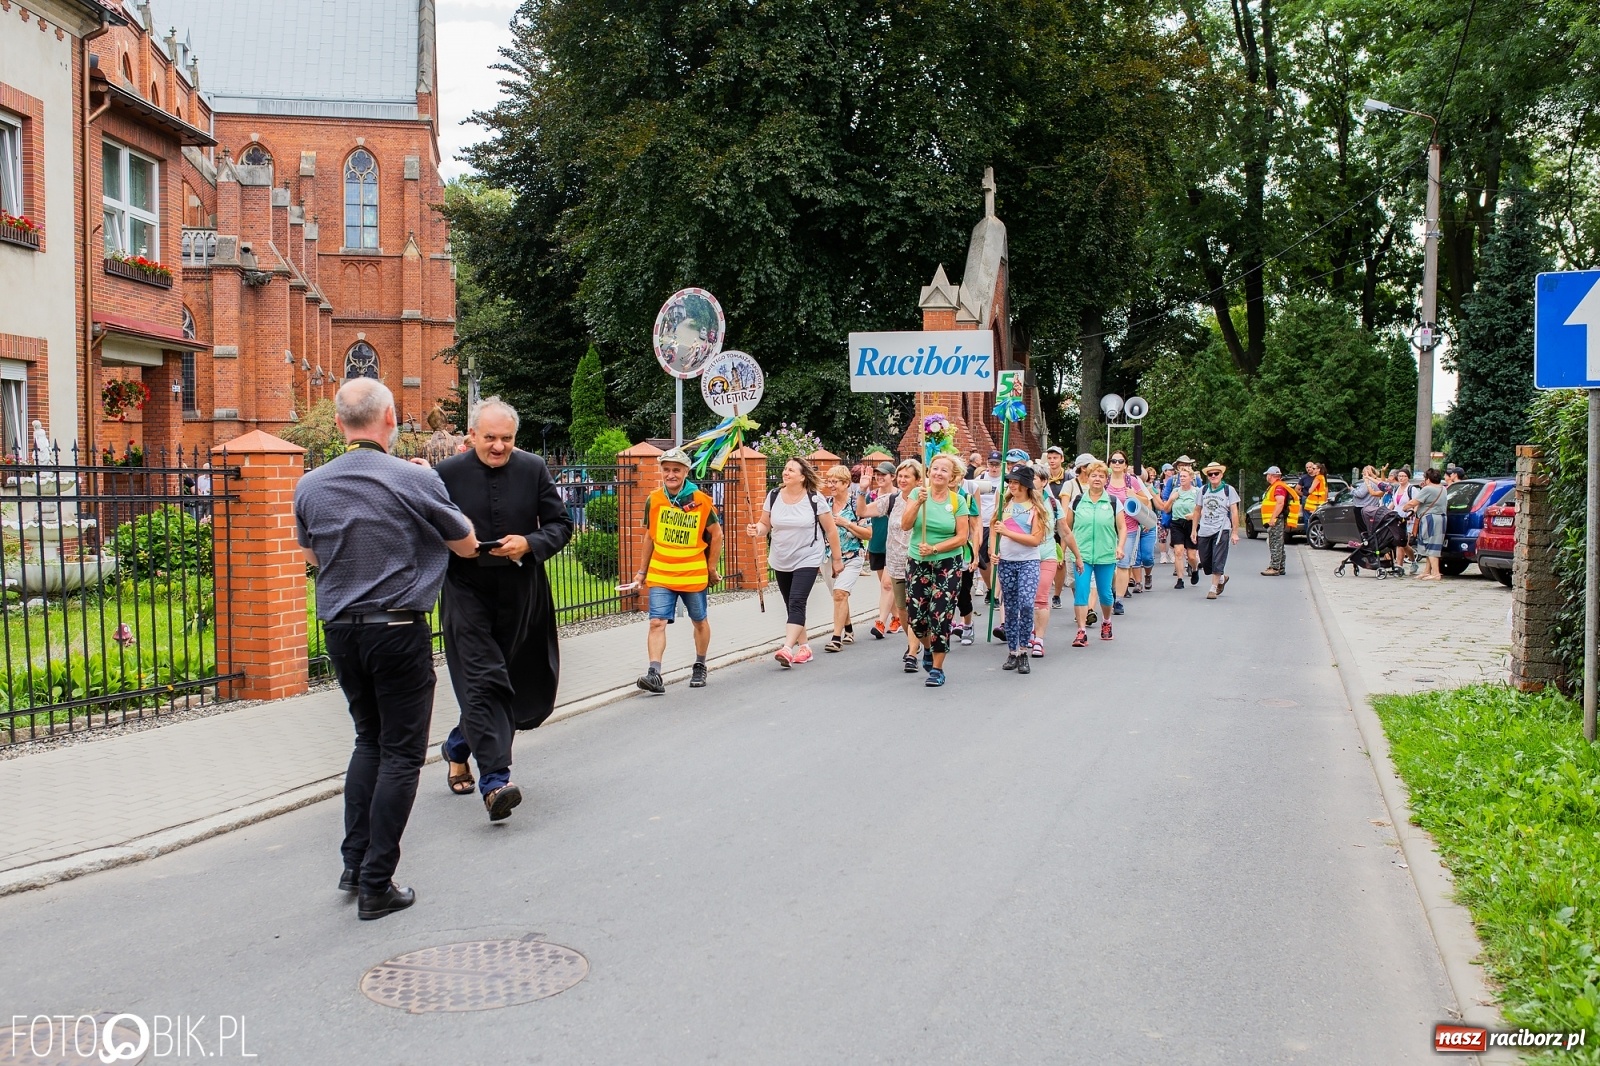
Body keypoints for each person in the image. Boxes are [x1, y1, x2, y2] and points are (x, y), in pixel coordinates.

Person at [294, 378, 479, 920]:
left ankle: (353, 863)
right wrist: (433, 491)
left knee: (367, 740)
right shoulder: (408, 477)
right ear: (391, 418)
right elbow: (465, 543)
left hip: (340, 629)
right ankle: (378, 883)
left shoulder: (310, 484)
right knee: (401, 752)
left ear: (338, 425)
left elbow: (310, 554)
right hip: (397, 627)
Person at [435, 397, 574, 824]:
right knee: (483, 678)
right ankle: (495, 781)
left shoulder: (532, 468)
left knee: (508, 682)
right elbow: (427, 528)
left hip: (521, 588)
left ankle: (459, 746)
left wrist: (530, 543)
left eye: (507, 439)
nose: (498, 447)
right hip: (465, 589)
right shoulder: (445, 475)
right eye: (490, 438)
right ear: (471, 435)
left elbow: (560, 524)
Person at [633, 447, 722, 695]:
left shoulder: (701, 500)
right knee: (656, 622)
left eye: (676, 470)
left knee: (699, 620)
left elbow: (717, 535)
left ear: (685, 471)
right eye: (666, 470)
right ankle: (654, 673)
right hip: (661, 572)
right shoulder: (654, 499)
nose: (671, 474)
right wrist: (642, 572)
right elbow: (650, 536)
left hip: (693, 573)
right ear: (661, 471)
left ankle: (700, 664)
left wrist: (711, 567)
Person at [747, 457, 842, 667]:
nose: (786, 472)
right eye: (785, 469)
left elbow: (831, 530)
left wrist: (837, 559)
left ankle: (787, 648)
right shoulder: (773, 496)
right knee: (791, 604)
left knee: (797, 601)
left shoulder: (814, 499)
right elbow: (765, 524)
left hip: (807, 557)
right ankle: (805, 647)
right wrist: (757, 530)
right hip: (781, 558)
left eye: (791, 470)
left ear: (802, 476)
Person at [901, 453, 972, 687]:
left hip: (947, 563)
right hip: (917, 560)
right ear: (928, 472)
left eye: (944, 470)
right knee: (917, 618)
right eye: (935, 468)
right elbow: (905, 524)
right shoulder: (917, 493)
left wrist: (934, 548)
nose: (938, 473)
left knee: (940, 616)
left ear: (952, 477)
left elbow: (962, 537)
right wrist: (918, 503)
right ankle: (928, 648)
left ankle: (938, 669)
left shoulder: (957, 501)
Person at [991, 463, 1049, 673]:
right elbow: (994, 530)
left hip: (1028, 562)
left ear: (1025, 485)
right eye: (1010, 482)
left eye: (1016, 482)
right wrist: (992, 551)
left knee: (1026, 604)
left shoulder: (1035, 509)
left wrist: (1007, 532)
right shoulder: (1003, 507)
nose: (1012, 486)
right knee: (1011, 607)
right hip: (1006, 562)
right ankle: (1013, 651)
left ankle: (1024, 649)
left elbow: (1035, 539)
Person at [1066, 460, 1121, 646]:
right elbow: (1067, 527)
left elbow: (1122, 528)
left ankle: (1106, 622)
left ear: (1107, 479)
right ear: (1087, 478)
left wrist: (1120, 547)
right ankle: (1081, 631)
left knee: (1105, 593)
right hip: (1082, 554)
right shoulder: (1078, 501)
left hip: (1106, 554)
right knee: (1081, 591)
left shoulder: (1113, 502)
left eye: (1101, 476)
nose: (1097, 479)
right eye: (1093, 475)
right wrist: (1064, 550)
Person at [822, 464, 871, 651]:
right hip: (828, 558)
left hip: (852, 556)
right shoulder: (824, 505)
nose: (831, 485)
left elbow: (868, 534)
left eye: (835, 482)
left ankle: (836, 638)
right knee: (838, 596)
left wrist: (846, 523)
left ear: (846, 483)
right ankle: (848, 628)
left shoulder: (855, 505)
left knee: (840, 593)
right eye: (829, 481)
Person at [1106, 451, 1155, 614]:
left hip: (1129, 528)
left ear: (1126, 465)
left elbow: (1147, 501)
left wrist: (1134, 495)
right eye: (1114, 461)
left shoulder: (1132, 481)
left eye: (1120, 461)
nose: (1117, 463)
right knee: (1108, 564)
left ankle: (1118, 600)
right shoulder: (1104, 481)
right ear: (1109, 464)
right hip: (1107, 529)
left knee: (1123, 563)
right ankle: (1112, 590)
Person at [863, 461, 899, 639]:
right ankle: (898, 617)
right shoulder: (871, 496)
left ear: (893, 477)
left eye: (883, 474)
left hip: (895, 546)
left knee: (887, 584)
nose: (879, 477)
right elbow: (862, 514)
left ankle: (880, 623)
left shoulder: (899, 496)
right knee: (885, 585)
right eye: (877, 474)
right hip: (876, 544)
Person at [1194, 462, 1241, 599]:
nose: (1213, 476)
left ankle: (1213, 588)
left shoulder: (1228, 490)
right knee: (1205, 561)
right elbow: (1197, 510)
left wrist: (1235, 532)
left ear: (1221, 474)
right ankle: (1221, 578)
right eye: (1210, 474)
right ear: (1207, 476)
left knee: (1218, 559)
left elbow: (1234, 511)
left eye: (1216, 473)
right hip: (1204, 529)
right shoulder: (1203, 490)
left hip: (1222, 529)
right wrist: (1194, 530)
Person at [1156, 467, 1199, 587]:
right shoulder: (1176, 491)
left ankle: (1194, 568)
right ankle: (1180, 579)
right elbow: (1166, 509)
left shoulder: (1197, 492)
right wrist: (1171, 499)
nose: (1182, 478)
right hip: (1177, 523)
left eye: (1185, 476)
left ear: (1191, 478)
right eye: (1181, 476)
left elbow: (1201, 510)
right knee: (1178, 552)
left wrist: (1194, 515)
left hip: (1191, 524)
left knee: (1191, 555)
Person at [1406, 468, 1447, 580]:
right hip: (1441, 518)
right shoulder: (1442, 488)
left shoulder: (1428, 489)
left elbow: (1414, 502)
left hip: (1430, 519)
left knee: (1431, 544)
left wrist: (1405, 507)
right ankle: (1427, 571)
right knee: (1429, 544)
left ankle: (1436, 573)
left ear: (1428, 479)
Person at [1260, 465, 1292, 576]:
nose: (1266, 477)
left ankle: (1274, 567)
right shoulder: (1276, 486)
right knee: (1278, 543)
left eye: (1267, 474)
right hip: (1275, 519)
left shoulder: (1278, 487)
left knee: (1275, 543)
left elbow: (1280, 502)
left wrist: (1273, 518)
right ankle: (1280, 567)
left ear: (1271, 475)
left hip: (1276, 520)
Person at [1388, 468, 1419, 574]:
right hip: (1396, 519)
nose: (1401, 478)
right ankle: (1413, 561)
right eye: (1400, 476)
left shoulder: (1412, 489)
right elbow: (1393, 503)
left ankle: (1399, 566)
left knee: (1401, 542)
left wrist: (1412, 512)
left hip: (1407, 520)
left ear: (1408, 477)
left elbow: (1416, 503)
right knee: (1402, 543)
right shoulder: (1396, 489)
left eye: (1404, 476)